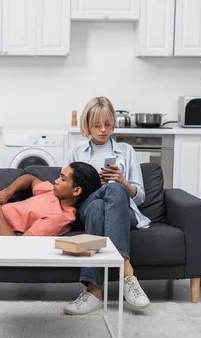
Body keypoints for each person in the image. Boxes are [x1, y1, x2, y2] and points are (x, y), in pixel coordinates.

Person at [64, 96, 151, 315]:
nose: (103, 130)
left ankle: (94, 291)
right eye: (97, 125)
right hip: (87, 206)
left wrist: (121, 182)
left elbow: (139, 197)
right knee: (96, 203)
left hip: (124, 212)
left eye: (108, 124)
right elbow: (70, 195)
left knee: (109, 196)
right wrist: (97, 188)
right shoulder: (75, 153)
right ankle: (127, 274)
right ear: (87, 125)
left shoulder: (127, 150)